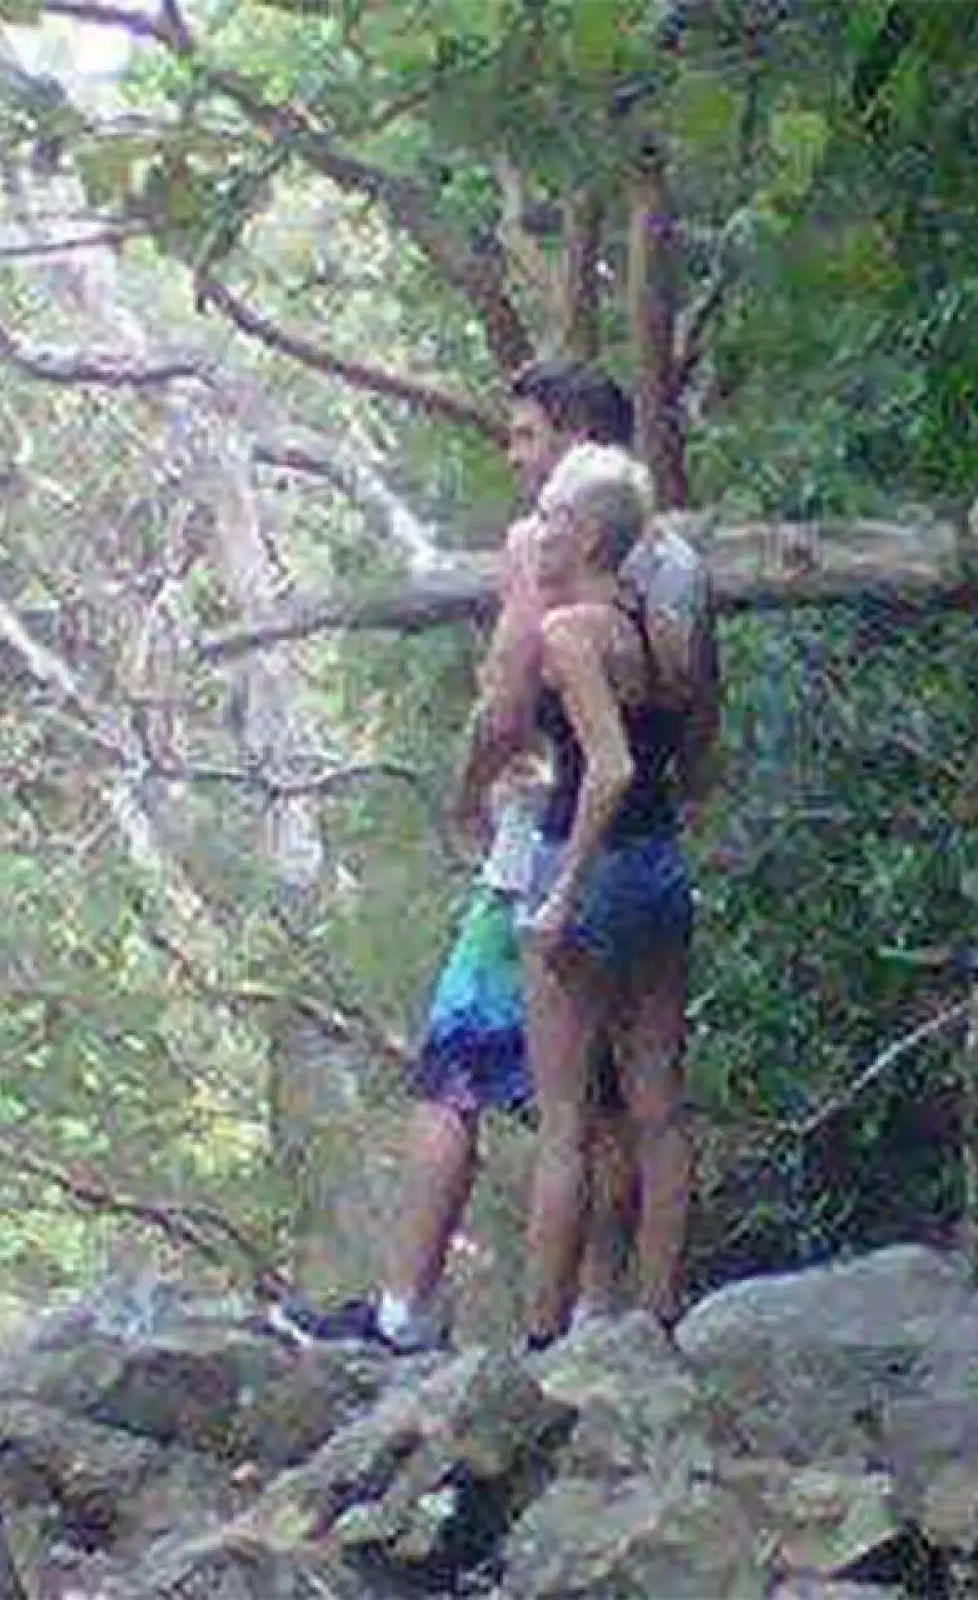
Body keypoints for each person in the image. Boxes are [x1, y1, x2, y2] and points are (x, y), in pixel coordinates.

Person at [271, 361, 668, 1354]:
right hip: (645, 845)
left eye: (526, 434)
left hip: (541, 841)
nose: (513, 457)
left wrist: (466, 789)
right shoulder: (664, 552)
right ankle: (603, 1315)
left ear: (574, 436)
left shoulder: (545, 548)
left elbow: (505, 691)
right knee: (618, 1099)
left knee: (456, 1070)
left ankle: (406, 1311)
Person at [507, 443, 702, 1348]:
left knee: (564, 1122)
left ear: (584, 534)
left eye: (548, 518)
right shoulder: (645, 624)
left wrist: (562, 895)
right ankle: (658, 1313)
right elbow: (678, 742)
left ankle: (540, 1338)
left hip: (590, 865)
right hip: (663, 863)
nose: (534, 533)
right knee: (658, 1098)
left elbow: (609, 767)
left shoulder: (569, 632)